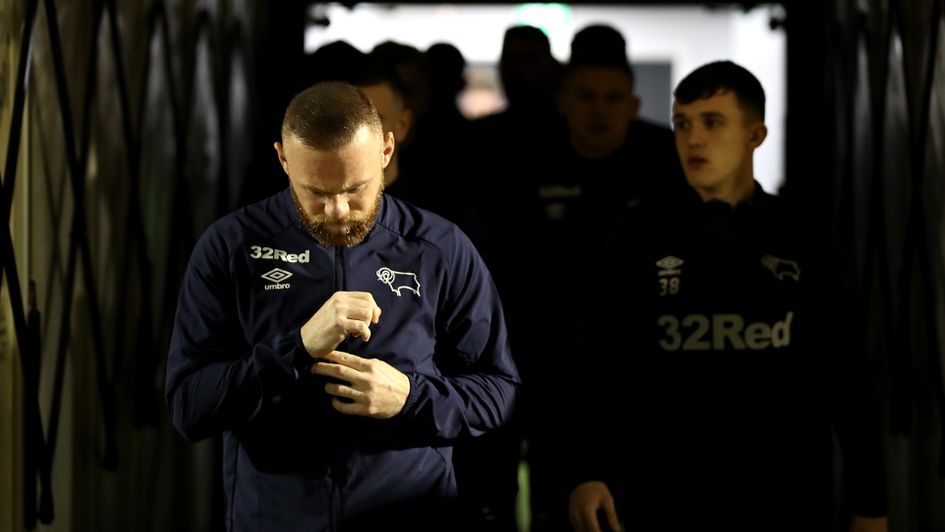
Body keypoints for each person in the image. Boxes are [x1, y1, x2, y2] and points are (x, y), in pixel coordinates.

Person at [164, 81, 520, 532]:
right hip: (274, 519)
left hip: (411, 518)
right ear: (283, 159)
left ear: (387, 149)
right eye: (316, 191)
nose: (336, 211)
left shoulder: (440, 249)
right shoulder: (232, 247)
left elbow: (499, 392)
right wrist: (296, 349)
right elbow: (189, 408)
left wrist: (410, 398)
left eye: (356, 189)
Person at [567, 60, 888, 532]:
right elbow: (593, 362)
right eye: (682, 124)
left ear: (754, 135)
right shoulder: (637, 236)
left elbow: (845, 371)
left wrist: (871, 502)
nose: (693, 138)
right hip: (661, 494)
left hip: (782, 494)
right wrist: (586, 471)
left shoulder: (800, 235)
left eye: (712, 123)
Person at [496, 23, 687, 532]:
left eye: (611, 98)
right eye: (586, 97)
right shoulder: (525, 159)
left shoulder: (666, 161)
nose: (599, 110)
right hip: (544, 360)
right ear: (563, 100)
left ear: (632, 103)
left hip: (643, 368)